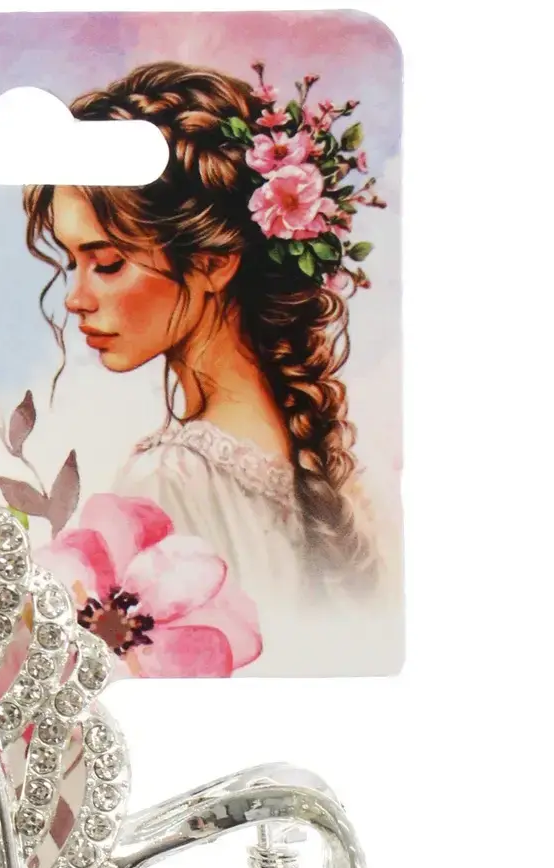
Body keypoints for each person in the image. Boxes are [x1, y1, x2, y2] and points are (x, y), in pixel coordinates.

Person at [24, 61, 382, 608]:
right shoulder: (334, 470)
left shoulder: (166, 480)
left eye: (108, 263)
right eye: (73, 264)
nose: (76, 298)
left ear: (214, 263)